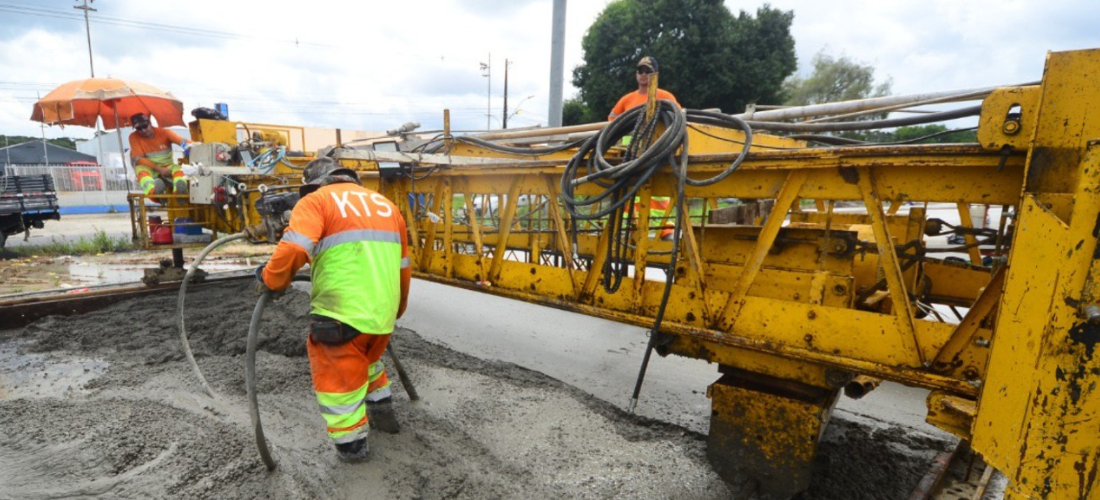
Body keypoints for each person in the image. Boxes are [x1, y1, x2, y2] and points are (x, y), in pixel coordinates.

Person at [256, 157, 411, 463]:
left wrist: (270, 279)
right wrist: (396, 310)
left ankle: (352, 450)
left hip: (340, 313)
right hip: (382, 315)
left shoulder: (317, 201)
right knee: (366, 361)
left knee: (337, 380)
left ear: (316, 184)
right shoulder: (386, 206)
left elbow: (295, 247)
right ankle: (384, 415)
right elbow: (403, 266)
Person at [127, 112, 194, 198]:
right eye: (139, 128)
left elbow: (183, 142)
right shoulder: (133, 137)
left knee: (178, 168)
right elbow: (138, 159)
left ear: (150, 123)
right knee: (140, 170)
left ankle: (179, 191)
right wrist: (158, 169)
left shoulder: (165, 133)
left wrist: (196, 145)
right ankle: (155, 192)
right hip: (150, 168)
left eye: (145, 126)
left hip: (167, 167)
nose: (143, 130)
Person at [607, 56, 680, 121]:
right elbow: (612, 120)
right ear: (636, 74)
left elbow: (679, 117)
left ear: (655, 75)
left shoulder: (666, 97)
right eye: (640, 71)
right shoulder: (626, 99)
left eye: (648, 71)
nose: (643, 74)